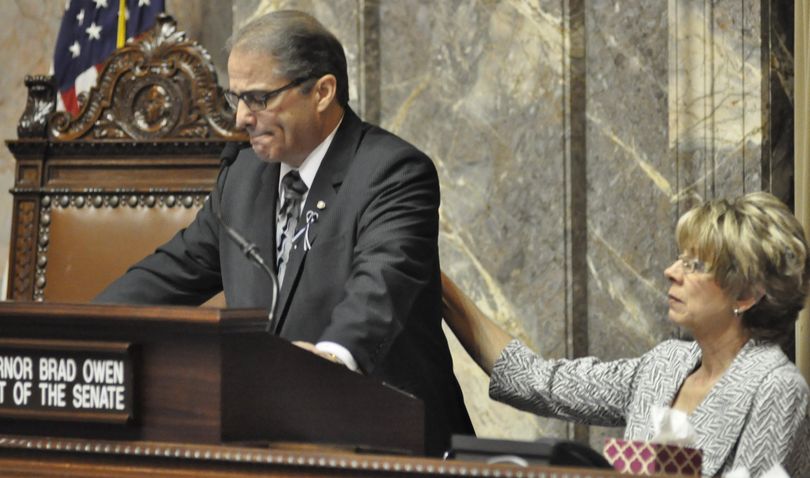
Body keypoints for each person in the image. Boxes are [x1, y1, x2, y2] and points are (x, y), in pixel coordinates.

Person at [95, 10, 473, 455]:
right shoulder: (243, 178)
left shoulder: (392, 173)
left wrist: (333, 357)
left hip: (394, 444)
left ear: (322, 92)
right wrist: (79, 334)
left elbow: (380, 287)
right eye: (236, 98)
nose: (240, 119)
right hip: (275, 440)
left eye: (257, 98)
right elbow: (170, 272)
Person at [442, 192, 810, 477]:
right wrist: (435, 282)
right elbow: (539, 382)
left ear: (746, 295)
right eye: (679, 258)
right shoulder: (665, 364)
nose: (670, 271)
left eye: (694, 265)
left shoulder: (775, 388)